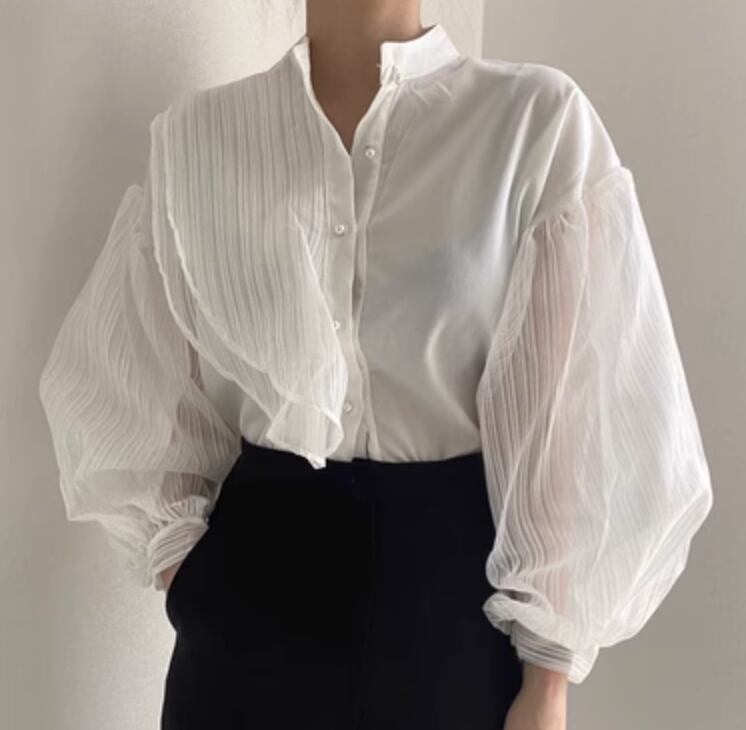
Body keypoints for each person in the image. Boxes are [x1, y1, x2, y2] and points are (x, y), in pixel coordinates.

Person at [38, 2, 714, 729]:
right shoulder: (198, 137)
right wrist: (193, 574)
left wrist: (547, 678)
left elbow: (563, 423)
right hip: (244, 626)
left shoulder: (534, 124)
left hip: (452, 624)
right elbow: (135, 382)